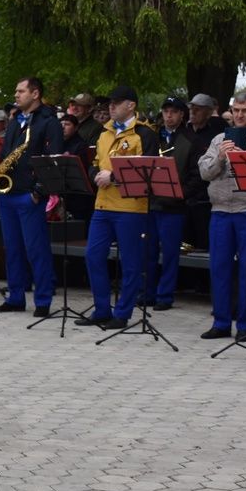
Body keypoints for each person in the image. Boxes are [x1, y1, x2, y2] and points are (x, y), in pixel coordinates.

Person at [74, 86, 158, 329]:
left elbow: (148, 171)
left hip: (131, 207)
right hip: (102, 204)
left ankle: (123, 313)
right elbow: (95, 162)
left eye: (117, 103)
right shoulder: (104, 132)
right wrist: (95, 174)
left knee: (130, 263)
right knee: (93, 255)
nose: (111, 107)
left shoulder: (144, 134)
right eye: (109, 103)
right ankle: (101, 309)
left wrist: (113, 177)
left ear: (131, 105)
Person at [196, 91, 246, 340]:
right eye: (236, 110)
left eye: (245, 111)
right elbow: (204, 172)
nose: (239, 115)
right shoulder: (220, 138)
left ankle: (245, 326)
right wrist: (220, 157)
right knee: (219, 268)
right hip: (220, 211)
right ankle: (220, 322)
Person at [0, 77, 62, 316]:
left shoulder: (49, 121)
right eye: (16, 91)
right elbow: (5, 154)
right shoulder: (15, 121)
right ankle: (15, 297)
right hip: (8, 193)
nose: (16, 95)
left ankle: (43, 301)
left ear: (35, 93)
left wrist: (38, 191)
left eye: (21, 91)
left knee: (36, 249)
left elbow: (53, 158)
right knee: (12, 249)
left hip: (29, 195)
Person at [145, 97, 195, 310]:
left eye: (174, 112)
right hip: (151, 203)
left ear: (182, 115)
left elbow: (195, 176)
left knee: (170, 254)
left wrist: (180, 193)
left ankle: (164, 296)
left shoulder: (190, 139)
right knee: (147, 251)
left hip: (174, 207)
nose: (169, 115)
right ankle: (147, 292)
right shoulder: (153, 136)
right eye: (166, 111)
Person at [183, 93, 227, 250]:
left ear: (209, 113)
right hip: (184, 198)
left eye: (198, 109)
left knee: (203, 246)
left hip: (204, 199)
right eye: (191, 108)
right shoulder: (183, 132)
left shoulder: (215, 135)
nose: (193, 112)